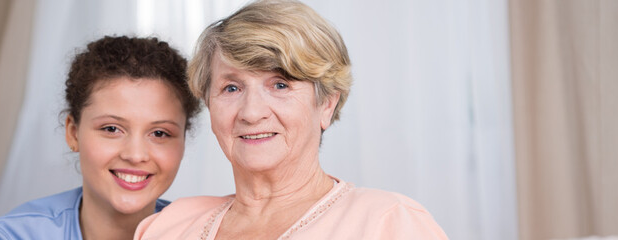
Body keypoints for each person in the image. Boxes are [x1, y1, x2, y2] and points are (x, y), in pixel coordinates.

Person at [134, 0, 449, 239]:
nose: (251, 112)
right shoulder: (169, 224)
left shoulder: (390, 222)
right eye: (231, 87)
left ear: (326, 103)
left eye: (280, 85)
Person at [0, 36, 200, 239]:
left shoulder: (205, 233)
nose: (135, 155)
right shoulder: (8, 236)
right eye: (112, 129)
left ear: (182, 142)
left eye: (160, 133)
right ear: (73, 133)